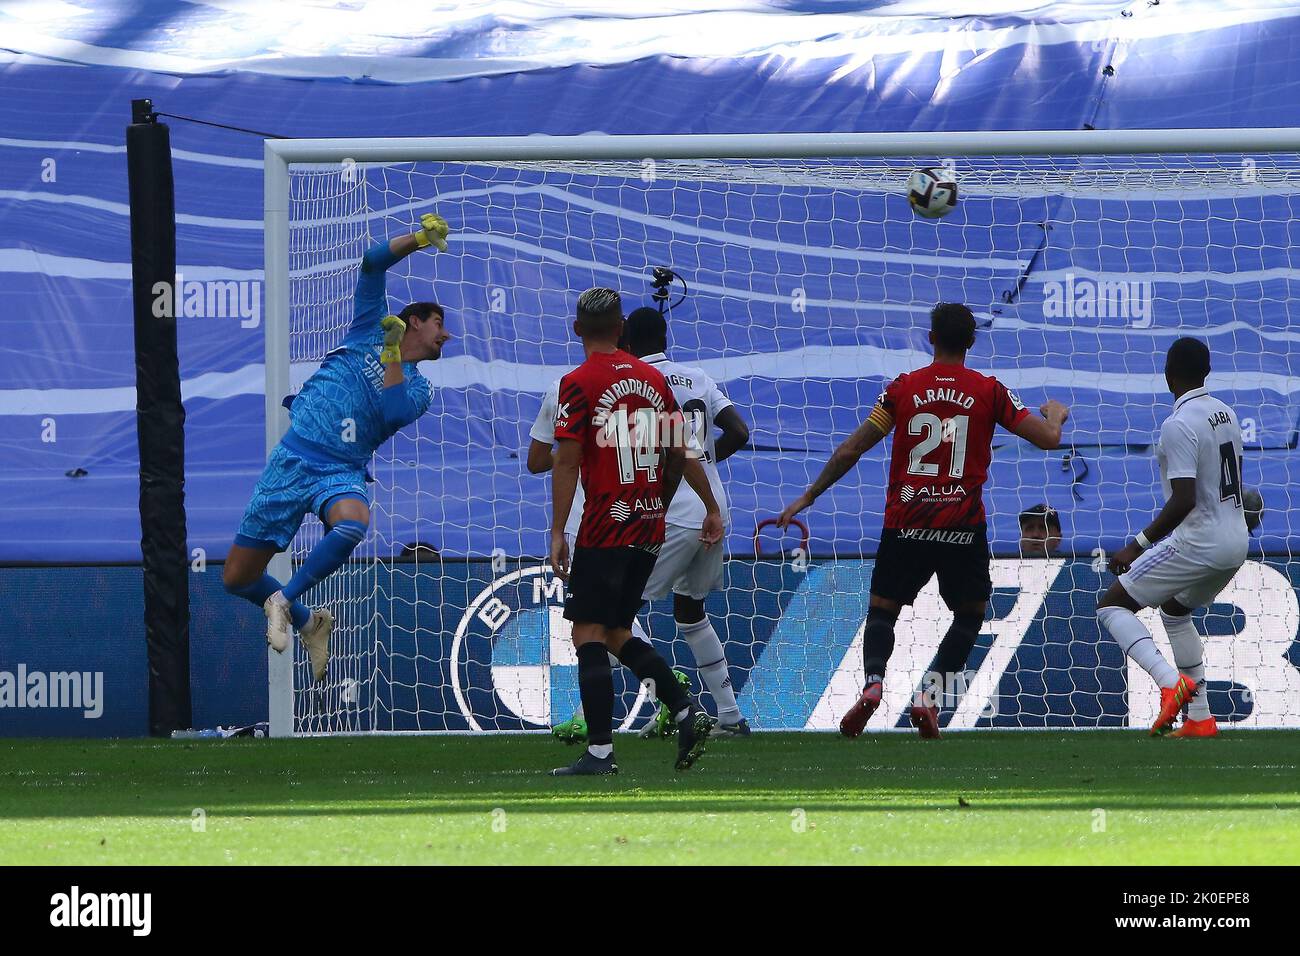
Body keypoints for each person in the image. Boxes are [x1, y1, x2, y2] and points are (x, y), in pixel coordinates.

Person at [776, 302, 1068, 739]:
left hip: (905, 522)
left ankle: (874, 683)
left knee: (882, 611)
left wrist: (809, 496)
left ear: (930, 338)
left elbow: (851, 450)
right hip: (962, 525)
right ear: (971, 342)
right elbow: (1048, 440)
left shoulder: (904, 389)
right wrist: (1055, 415)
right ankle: (928, 699)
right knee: (970, 615)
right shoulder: (989, 390)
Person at [222, 214, 452, 682]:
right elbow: (371, 265)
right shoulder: (370, 324)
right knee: (236, 578)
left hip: (340, 470)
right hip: (293, 458)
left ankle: (284, 601)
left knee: (353, 523)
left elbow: (389, 412)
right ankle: (312, 621)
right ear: (414, 321)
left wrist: (391, 355)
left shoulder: (422, 390)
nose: (445, 334)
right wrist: (420, 238)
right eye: (438, 323)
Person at [548, 288, 723, 776]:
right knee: (617, 631)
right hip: (648, 522)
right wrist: (706, 506)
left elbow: (566, 460)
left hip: (607, 523)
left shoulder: (578, 382)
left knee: (587, 632)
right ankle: (685, 711)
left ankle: (600, 754)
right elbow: (679, 454)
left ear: (577, 328)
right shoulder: (653, 379)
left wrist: (559, 530)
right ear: (621, 327)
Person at [1097, 337, 1249, 738]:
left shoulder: (1179, 424)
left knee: (1112, 606)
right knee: (1175, 613)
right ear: (1207, 372)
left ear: (1168, 374)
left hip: (1199, 541)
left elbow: (1183, 500)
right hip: (1236, 542)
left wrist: (1137, 544)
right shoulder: (1226, 413)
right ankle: (1199, 717)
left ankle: (1169, 683)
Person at [622, 307, 753, 737]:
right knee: (690, 611)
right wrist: (708, 460)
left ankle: (664, 704)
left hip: (673, 511)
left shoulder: (634, 383)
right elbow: (738, 431)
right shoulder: (697, 376)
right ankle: (730, 717)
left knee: (614, 612)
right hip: (714, 505)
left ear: (626, 340)